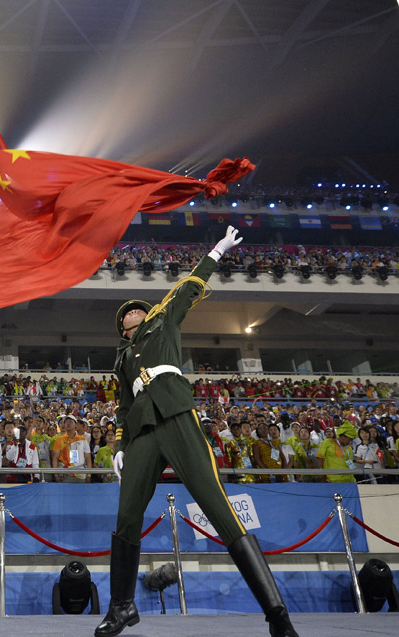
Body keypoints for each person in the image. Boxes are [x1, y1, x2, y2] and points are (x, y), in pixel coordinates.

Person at [95, 227, 298, 637]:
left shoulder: (163, 320)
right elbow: (121, 405)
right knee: (126, 514)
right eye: (126, 315)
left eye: (137, 310)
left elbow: (189, 286)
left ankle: (277, 614)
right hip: (142, 432)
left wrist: (218, 251)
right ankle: (122, 607)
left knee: (217, 505)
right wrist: (119, 444)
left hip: (176, 415)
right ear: (122, 330)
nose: (133, 313)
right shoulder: (122, 360)